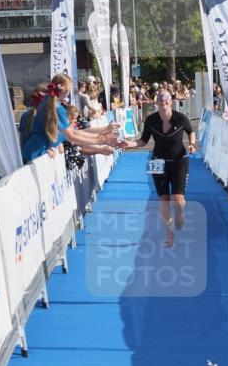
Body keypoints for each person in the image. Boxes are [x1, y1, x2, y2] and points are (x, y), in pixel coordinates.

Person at [119, 89, 197, 246]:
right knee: (163, 199)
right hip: (158, 162)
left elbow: (191, 131)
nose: (163, 101)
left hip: (179, 161)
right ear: (156, 102)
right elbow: (143, 141)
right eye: (160, 99)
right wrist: (129, 144)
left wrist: (192, 145)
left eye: (166, 99)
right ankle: (169, 234)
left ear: (171, 101)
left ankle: (180, 215)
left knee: (178, 200)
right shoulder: (151, 120)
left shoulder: (180, 118)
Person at [20, 73, 118, 164]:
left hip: (35, 153)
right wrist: (100, 140)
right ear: (67, 90)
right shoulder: (56, 107)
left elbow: (74, 132)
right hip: (37, 155)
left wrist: (99, 137)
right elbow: (72, 135)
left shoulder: (49, 103)